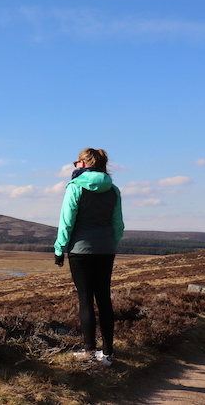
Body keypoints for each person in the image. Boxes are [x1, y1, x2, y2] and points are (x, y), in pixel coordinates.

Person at [54, 148, 124, 367]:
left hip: (80, 251)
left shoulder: (75, 187)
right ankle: (109, 354)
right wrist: (109, 244)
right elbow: (118, 225)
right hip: (105, 250)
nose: (74, 165)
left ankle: (90, 352)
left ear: (83, 164)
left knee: (85, 300)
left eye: (76, 162)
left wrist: (59, 249)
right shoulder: (113, 190)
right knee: (104, 298)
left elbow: (67, 222)